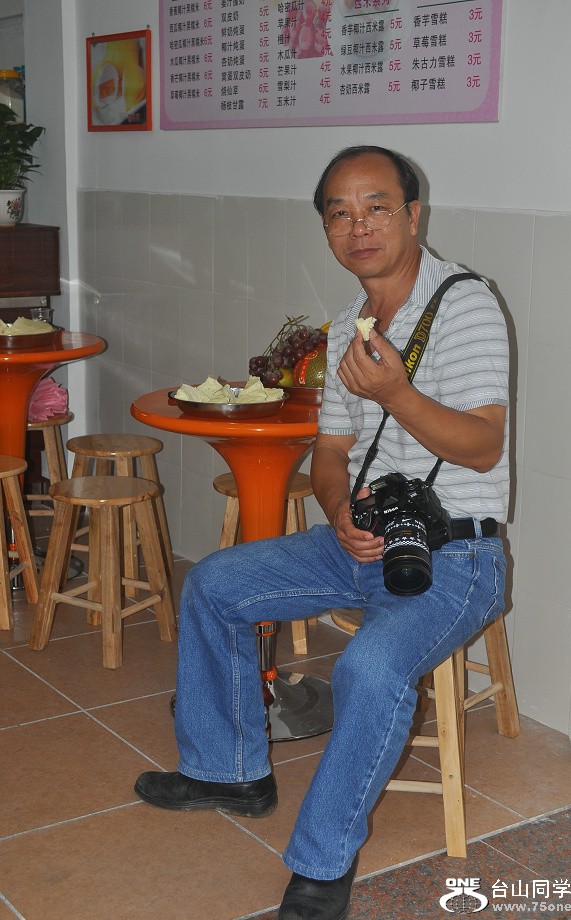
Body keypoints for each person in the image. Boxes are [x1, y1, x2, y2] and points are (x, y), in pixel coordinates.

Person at [134, 145, 510, 920]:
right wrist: (339, 513)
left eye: (376, 207)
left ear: (414, 215)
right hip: (360, 541)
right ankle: (228, 771)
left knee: (368, 668)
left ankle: (321, 863)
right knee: (214, 582)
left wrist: (397, 392)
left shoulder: (466, 305)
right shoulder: (347, 327)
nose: (357, 226)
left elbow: (482, 446)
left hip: (457, 554)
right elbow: (330, 452)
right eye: (339, 213)